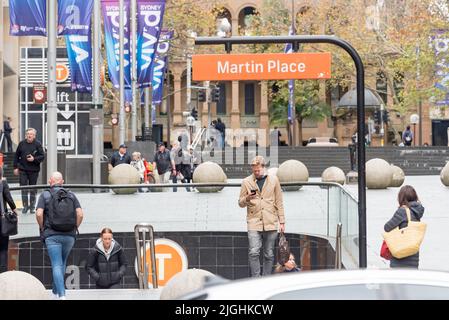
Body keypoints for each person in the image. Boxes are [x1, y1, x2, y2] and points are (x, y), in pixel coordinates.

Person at [36, 172, 84, 299]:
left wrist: (42, 227)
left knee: (56, 264)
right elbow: (80, 214)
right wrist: (75, 227)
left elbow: (39, 214)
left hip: (52, 235)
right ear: (62, 181)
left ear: (50, 181)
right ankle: (55, 293)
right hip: (69, 235)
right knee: (62, 264)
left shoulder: (45, 195)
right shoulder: (71, 195)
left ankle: (62, 295)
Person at [238, 156, 285, 277]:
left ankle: (266, 278)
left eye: (258, 170)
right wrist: (247, 198)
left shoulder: (274, 180)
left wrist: (282, 221)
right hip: (253, 221)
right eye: (254, 170)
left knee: (269, 253)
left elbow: (279, 201)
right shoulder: (246, 182)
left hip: (270, 220)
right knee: (254, 252)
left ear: (264, 167)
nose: (256, 172)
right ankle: (256, 279)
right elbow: (240, 203)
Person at [384, 185, 424, 269]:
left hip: (401, 255)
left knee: (399, 280)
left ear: (401, 197)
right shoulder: (417, 211)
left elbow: (387, 227)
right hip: (413, 255)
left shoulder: (402, 211)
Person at [13, 128, 45, 214]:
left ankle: (32, 206)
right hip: (23, 169)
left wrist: (34, 159)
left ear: (34, 136)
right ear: (25, 135)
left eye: (31, 134)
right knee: (23, 188)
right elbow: (16, 156)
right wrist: (15, 167)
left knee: (33, 188)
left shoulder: (38, 144)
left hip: (34, 170)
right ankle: (25, 206)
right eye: (27, 134)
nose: (29, 135)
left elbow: (42, 156)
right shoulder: (21, 144)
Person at [0, 167, 18, 273]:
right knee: (3, 248)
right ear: (1, 174)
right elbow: (9, 199)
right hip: (2, 221)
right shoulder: (3, 184)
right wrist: (15, 211)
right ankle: (2, 273)